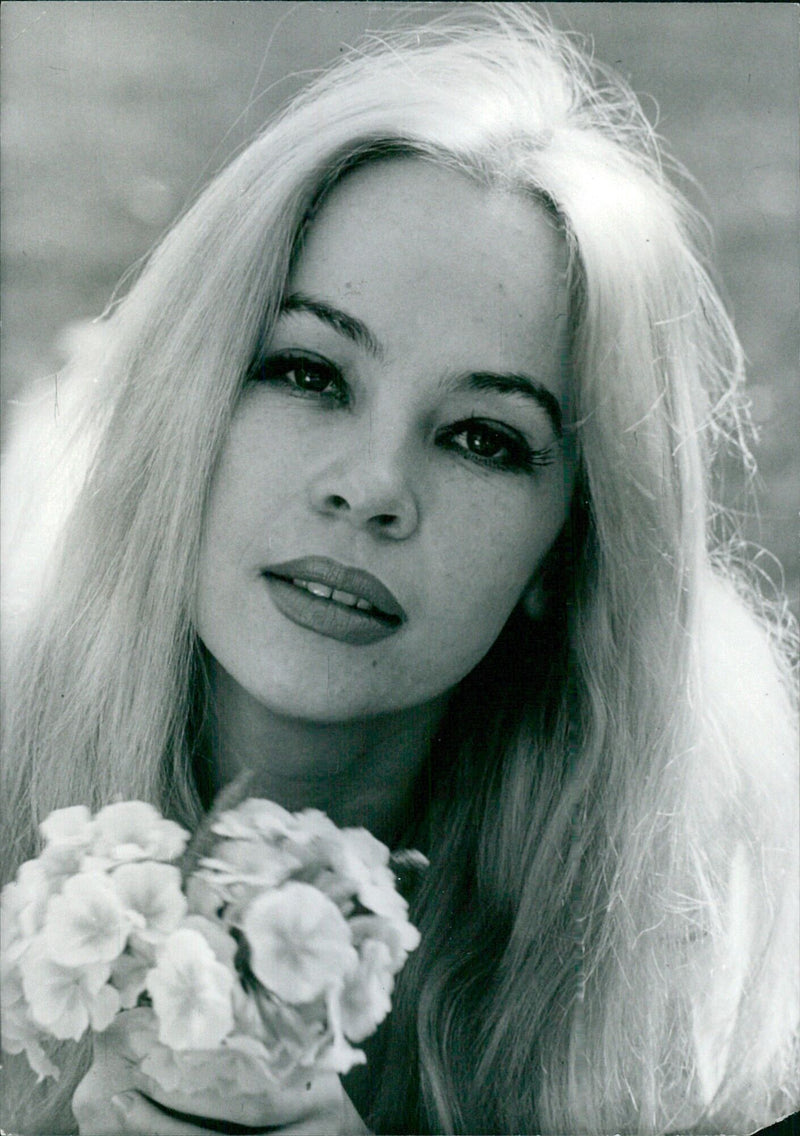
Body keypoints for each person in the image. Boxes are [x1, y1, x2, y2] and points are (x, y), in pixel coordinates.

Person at [1, 6, 798, 1134]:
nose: (370, 485)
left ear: (566, 550)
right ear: (190, 401)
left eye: (482, 435)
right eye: (306, 369)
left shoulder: (687, 950)